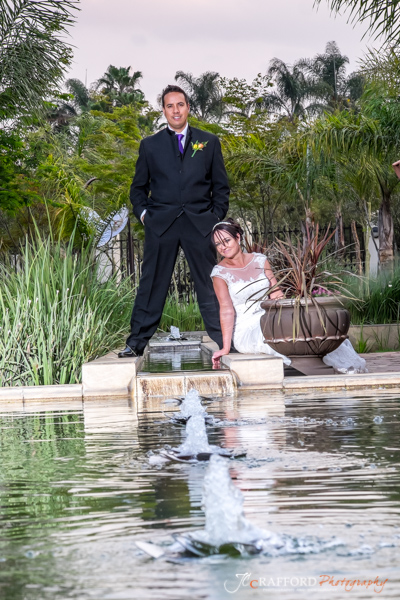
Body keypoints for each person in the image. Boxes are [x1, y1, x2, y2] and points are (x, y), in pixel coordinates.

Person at [119, 84, 229, 358]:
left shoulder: (209, 142)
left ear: (188, 107)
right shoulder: (150, 145)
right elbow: (137, 189)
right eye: (170, 106)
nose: (176, 110)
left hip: (199, 224)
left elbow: (221, 187)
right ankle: (135, 343)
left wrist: (215, 218)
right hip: (161, 224)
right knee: (152, 284)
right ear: (164, 110)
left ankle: (226, 340)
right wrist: (145, 216)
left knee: (210, 283)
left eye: (180, 104)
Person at [210, 218, 367, 373]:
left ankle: (325, 366)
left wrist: (289, 317)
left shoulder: (260, 260)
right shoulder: (219, 273)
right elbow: (226, 310)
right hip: (247, 329)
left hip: (270, 318)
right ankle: (310, 370)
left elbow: (276, 293)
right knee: (277, 335)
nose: (223, 247)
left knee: (303, 326)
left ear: (237, 237)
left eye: (227, 241)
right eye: (218, 244)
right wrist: (225, 348)